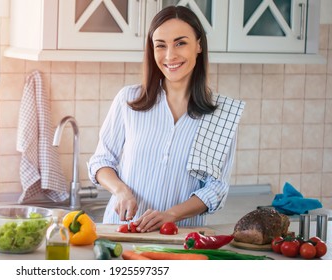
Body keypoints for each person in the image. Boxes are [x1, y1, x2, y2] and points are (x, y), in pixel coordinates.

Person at [87, 5, 245, 232]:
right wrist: (120, 190)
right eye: (160, 45)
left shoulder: (221, 115)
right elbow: (101, 161)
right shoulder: (129, 100)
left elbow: (215, 188)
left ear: (199, 45)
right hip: (122, 233)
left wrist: (171, 215)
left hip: (180, 237)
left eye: (180, 43)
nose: (170, 55)